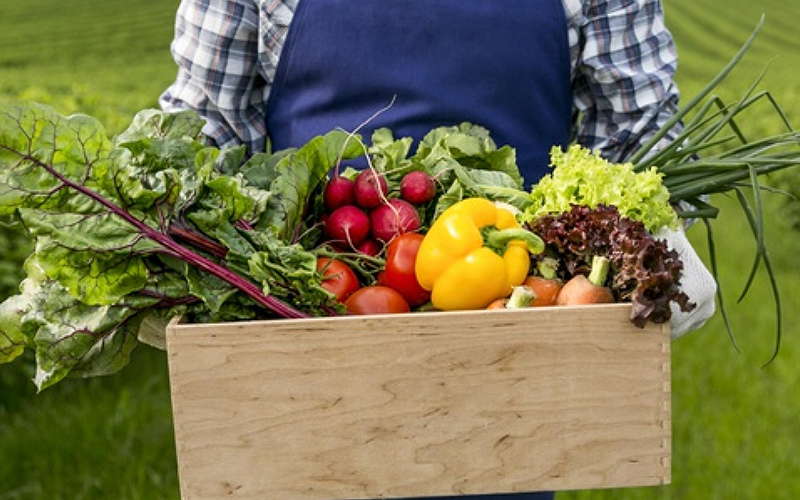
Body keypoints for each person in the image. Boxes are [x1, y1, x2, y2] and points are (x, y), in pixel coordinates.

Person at [159, 1, 717, 499]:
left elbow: (637, 134)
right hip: (311, 322)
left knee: (499, 472)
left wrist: (652, 239)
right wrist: (169, 226)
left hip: (513, 342)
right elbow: (208, 124)